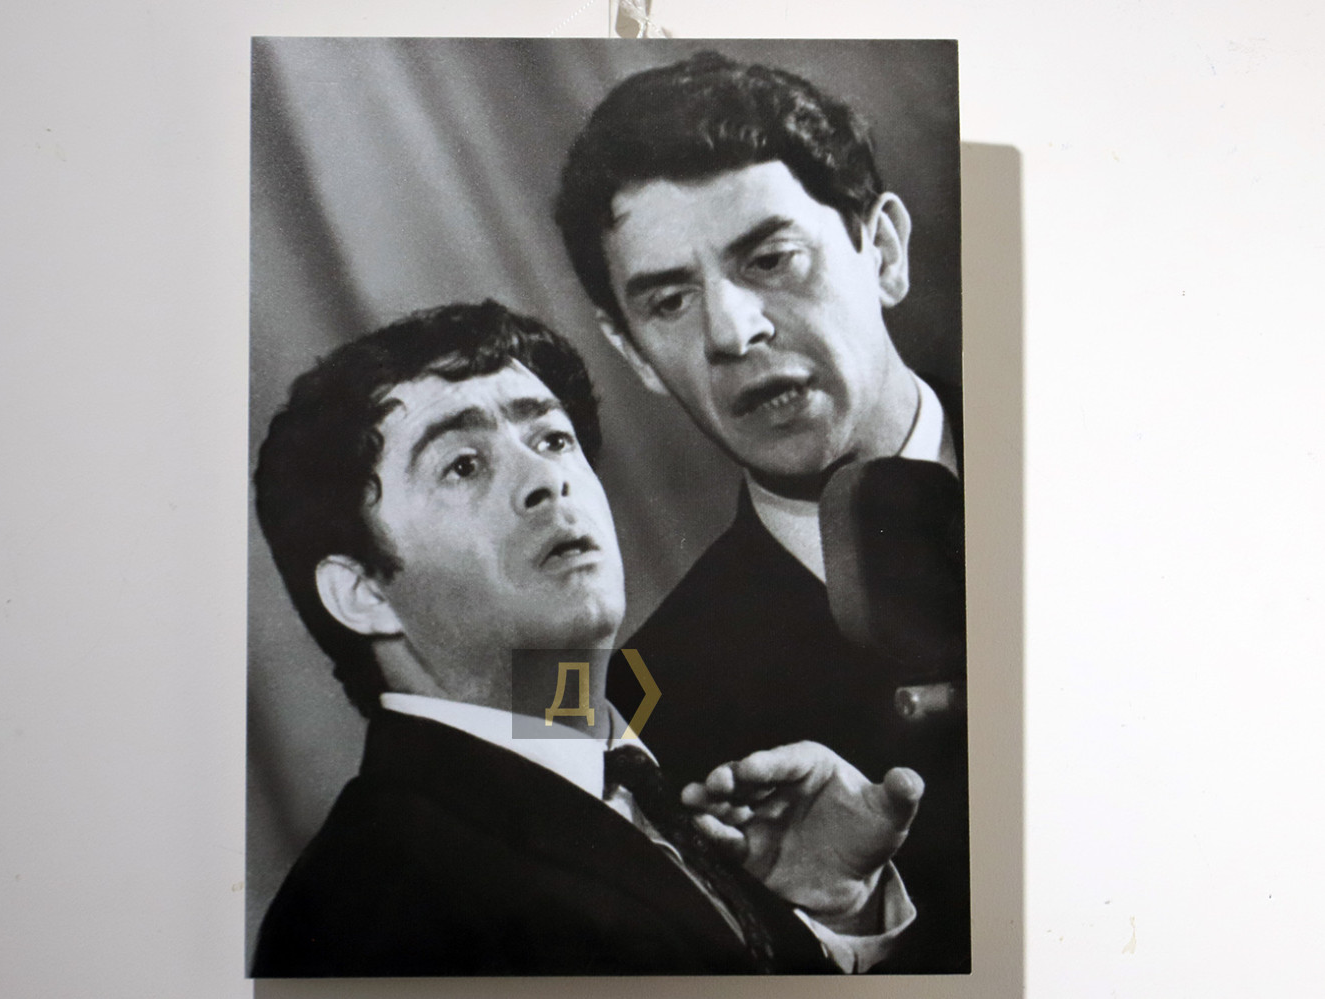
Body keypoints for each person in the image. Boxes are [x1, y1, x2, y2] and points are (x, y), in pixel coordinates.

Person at [249, 301, 923, 976]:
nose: (549, 479)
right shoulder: (354, 912)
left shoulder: (695, 774)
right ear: (363, 592)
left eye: (551, 439)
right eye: (464, 465)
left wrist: (839, 916)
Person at [555, 52, 970, 972]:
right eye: (670, 299)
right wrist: (851, 926)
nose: (731, 330)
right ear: (634, 353)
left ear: (883, 251)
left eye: (772, 259)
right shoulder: (652, 719)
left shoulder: (1104, 467)